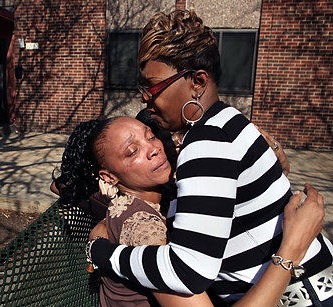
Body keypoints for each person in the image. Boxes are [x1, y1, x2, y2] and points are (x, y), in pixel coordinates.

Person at [87, 10, 333, 306]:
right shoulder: (226, 120)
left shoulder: (207, 143)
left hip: (299, 296)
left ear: (197, 81)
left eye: (153, 86)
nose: (146, 98)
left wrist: (102, 253)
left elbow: (187, 271)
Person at [58, 117, 326, 306]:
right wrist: (293, 246)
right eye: (132, 151)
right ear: (110, 177)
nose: (154, 148)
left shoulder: (164, 193)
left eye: (150, 135)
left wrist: (271, 153)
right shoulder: (142, 227)